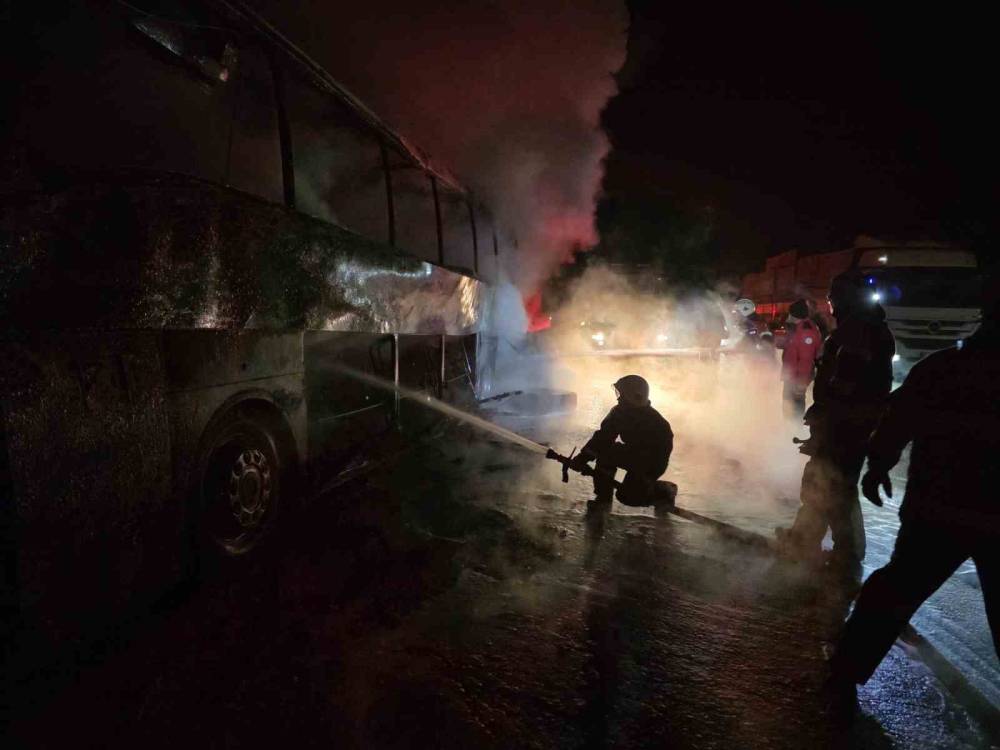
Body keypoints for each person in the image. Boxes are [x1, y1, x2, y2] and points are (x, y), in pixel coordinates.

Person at [829, 278, 1000, 698]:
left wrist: (877, 466)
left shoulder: (943, 368)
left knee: (894, 591)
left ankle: (844, 672)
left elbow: (898, 419)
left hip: (938, 508)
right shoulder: (942, 368)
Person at [775, 272, 895, 580]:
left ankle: (845, 558)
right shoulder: (865, 329)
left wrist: (823, 423)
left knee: (833, 488)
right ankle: (804, 542)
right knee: (824, 485)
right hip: (848, 425)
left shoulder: (858, 333)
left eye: (834, 299)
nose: (831, 306)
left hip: (845, 427)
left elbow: (845, 385)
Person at [571, 375, 674, 517]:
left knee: (628, 497)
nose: (618, 399)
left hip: (651, 462)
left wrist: (643, 478)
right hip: (634, 453)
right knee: (607, 452)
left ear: (635, 397)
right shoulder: (619, 412)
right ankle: (603, 499)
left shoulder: (657, 424)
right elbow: (603, 438)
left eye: (622, 395)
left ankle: (663, 491)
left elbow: (660, 457)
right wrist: (583, 458)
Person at [781, 299, 823, 419]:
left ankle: (794, 431)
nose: (788, 316)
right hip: (792, 377)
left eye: (790, 313)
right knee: (789, 408)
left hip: (797, 380)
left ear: (795, 315)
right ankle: (789, 431)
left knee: (794, 410)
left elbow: (806, 360)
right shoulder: (799, 329)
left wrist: (801, 383)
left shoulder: (806, 331)